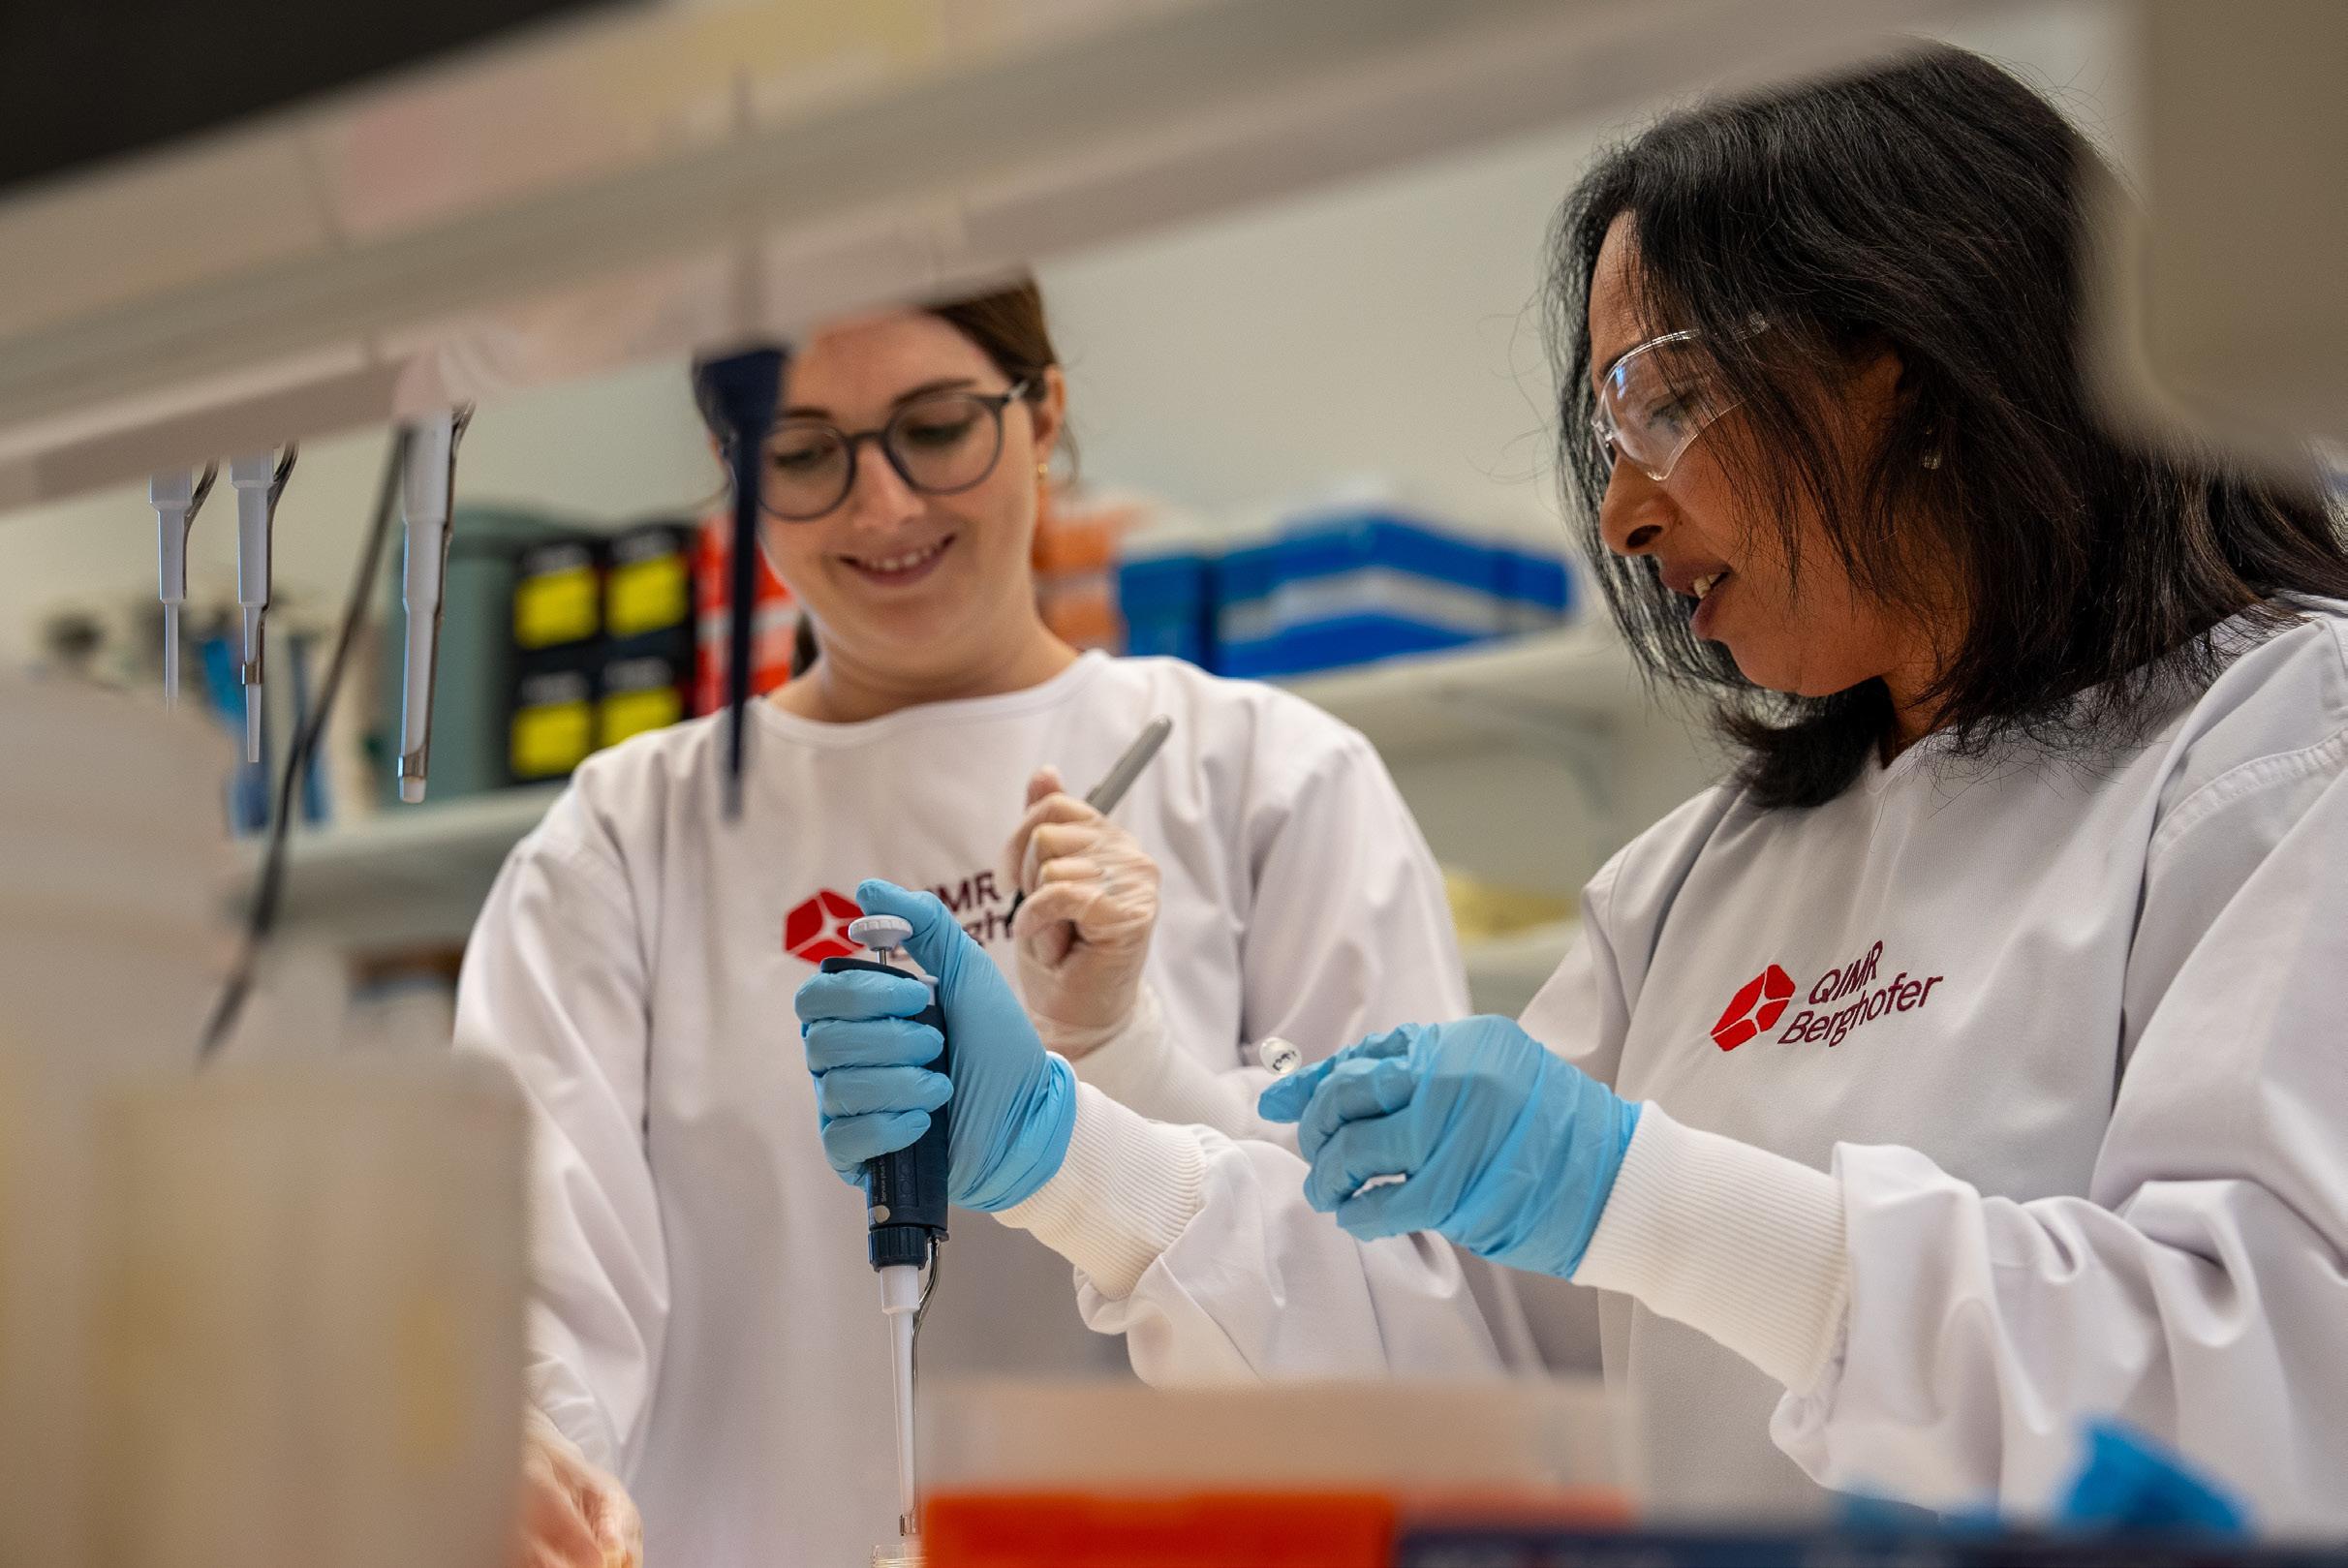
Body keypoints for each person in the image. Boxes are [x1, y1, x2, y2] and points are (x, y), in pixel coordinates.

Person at [798, 46, 2348, 1531]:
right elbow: (1443, 1360)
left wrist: (1646, 1198)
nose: (1620, 512)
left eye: (1668, 403)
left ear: (1916, 367)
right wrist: (1063, 1149)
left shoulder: (2283, 749)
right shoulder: (1692, 887)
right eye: (1609, 428)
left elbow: (2259, 1393)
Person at [456, 280, 1468, 1566]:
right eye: (805, 454)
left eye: (936, 429)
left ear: (1041, 415)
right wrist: (514, 1459)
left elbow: (1404, 1317)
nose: (882, 507)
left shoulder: (1271, 781)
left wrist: (1126, 1066)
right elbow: (530, 1286)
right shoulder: (622, 842)